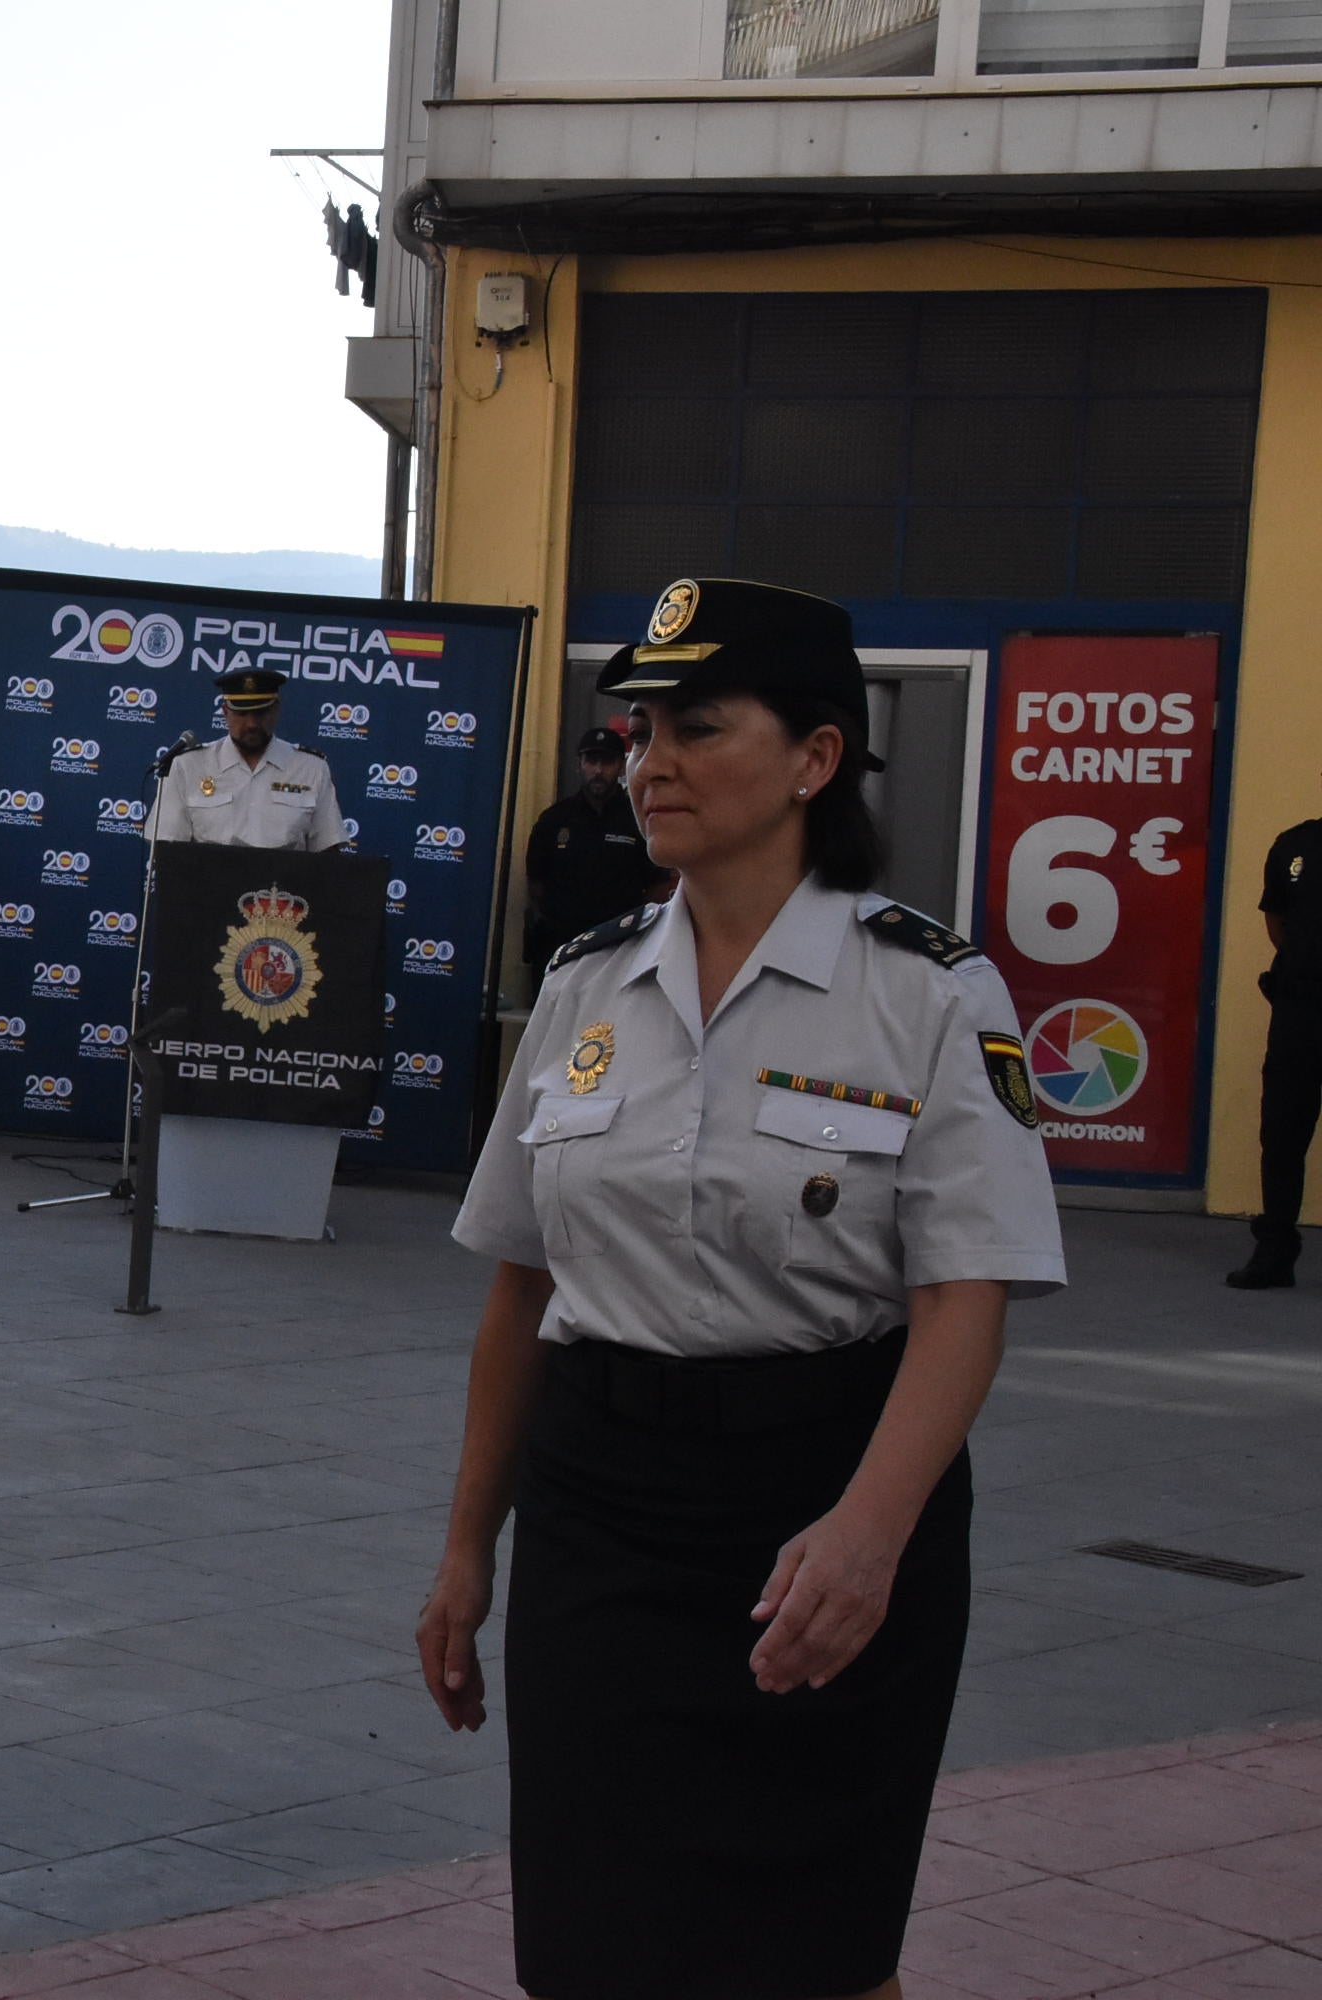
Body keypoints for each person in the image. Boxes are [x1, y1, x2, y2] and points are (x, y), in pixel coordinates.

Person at [416, 577, 1065, 2000]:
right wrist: (468, 1548)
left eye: (697, 727)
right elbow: (521, 1290)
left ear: (816, 757)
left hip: (823, 1501)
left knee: (816, 1954)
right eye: (642, 731)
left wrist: (870, 1536)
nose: (650, 761)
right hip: (601, 1510)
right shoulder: (585, 987)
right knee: (591, 1945)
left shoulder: (929, 993)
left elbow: (967, 1294)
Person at [1231, 788, 1319, 1289]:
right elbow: (1277, 921)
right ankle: (1275, 1251)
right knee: (1282, 1131)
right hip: (1300, 1009)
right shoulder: (1295, 845)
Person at [524, 723, 667, 984]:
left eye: (607, 762)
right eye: (591, 761)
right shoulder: (554, 820)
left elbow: (657, 885)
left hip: (619, 952)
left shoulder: (638, 820)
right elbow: (536, 885)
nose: (598, 771)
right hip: (560, 948)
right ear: (579, 765)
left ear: (621, 766)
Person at [149, 666, 347, 850]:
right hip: (209, 877)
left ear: (276, 710)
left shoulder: (311, 769)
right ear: (225, 712)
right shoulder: (188, 766)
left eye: (260, 713)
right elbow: (167, 848)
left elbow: (328, 850)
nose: (252, 724)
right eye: (242, 713)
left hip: (285, 878)